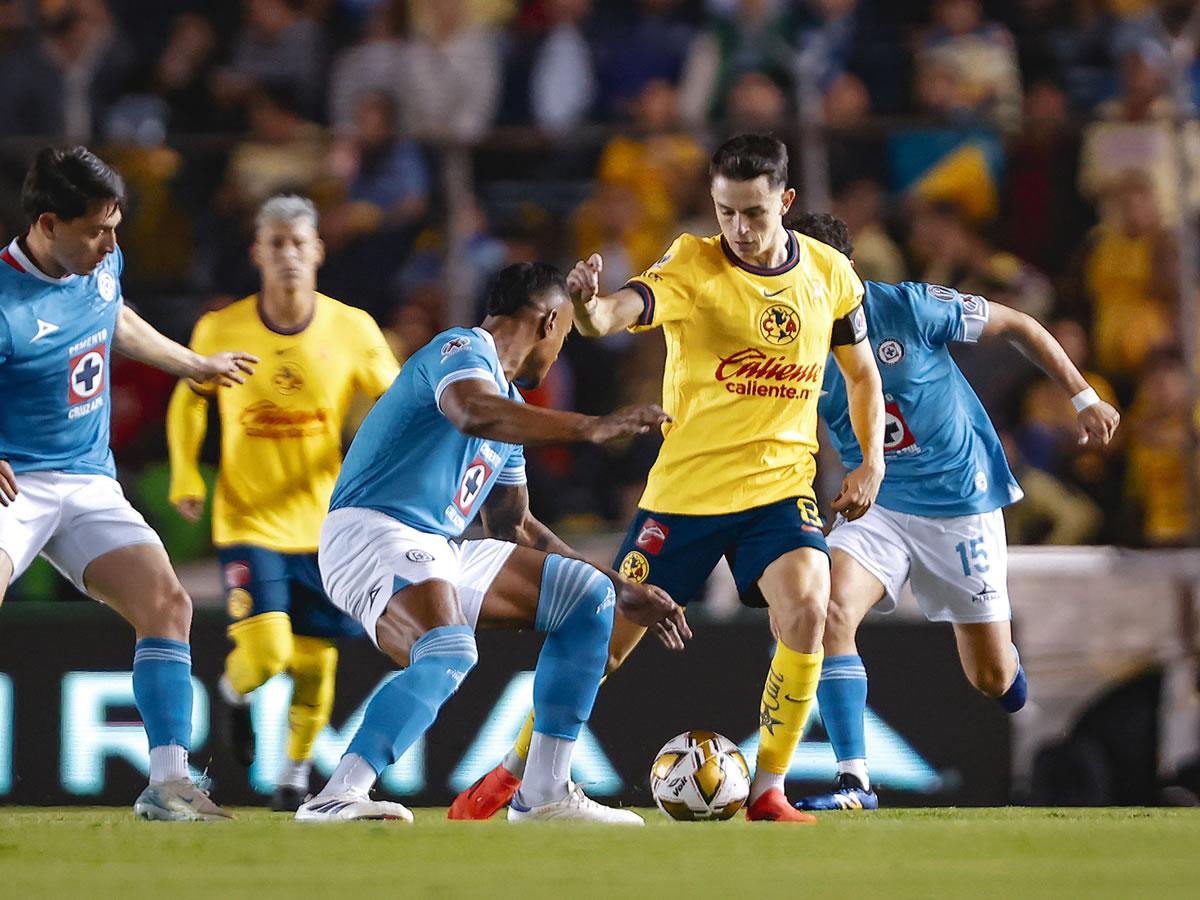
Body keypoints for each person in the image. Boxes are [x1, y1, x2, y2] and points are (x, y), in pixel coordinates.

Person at [453, 133, 885, 823]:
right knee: (605, 643)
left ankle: (768, 790)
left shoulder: (831, 274)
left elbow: (863, 375)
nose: (739, 229)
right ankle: (514, 769)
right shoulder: (693, 262)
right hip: (683, 498)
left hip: (779, 490)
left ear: (787, 200)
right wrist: (590, 306)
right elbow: (617, 314)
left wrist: (871, 460)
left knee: (809, 604)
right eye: (725, 212)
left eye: (754, 213)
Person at [295, 262, 690, 823]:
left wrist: (618, 586)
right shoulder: (461, 349)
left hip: (438, 545)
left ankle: (544, 793)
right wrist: (587, 426)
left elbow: (516, 528)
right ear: (551, 321)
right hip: (370, 530)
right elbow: (469, 412)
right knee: (450, 651)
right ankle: (338, 793)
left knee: (586, 601)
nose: (559, 352)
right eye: (564, 336)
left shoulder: (509, 410)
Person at [789, 213, 1119, 811]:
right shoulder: (787, 342)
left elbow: (1017, 323)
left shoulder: (911, 308)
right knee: (829, 611)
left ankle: (1011, 677)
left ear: (840, 274)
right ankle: (854, 782)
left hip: (958, 503)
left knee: (988, 678)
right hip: (877, 504)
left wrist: (1083, 394)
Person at [0, 146, 256, 820]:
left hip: (86, 480)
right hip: (13, 485)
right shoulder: (3, 300)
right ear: (48, 224)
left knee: (167, 605)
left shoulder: (99, 264)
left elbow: (114, 316)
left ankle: (169, 786)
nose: (112, 243)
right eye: (97, 229)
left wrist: (191, 364)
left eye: (115, 226)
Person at [166, 195, 400, 811]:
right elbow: (190, 397)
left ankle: (294, 779)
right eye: (277, 244)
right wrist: (187, 471)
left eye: (300, 243)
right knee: (268, 655)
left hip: (327, 529)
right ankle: (234, 694)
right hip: (248, 520)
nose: (289, 256)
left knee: (317, 666)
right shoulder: (221, 329)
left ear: (319, 250)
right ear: (258, 253)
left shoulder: (352, 329)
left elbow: (404, 404)